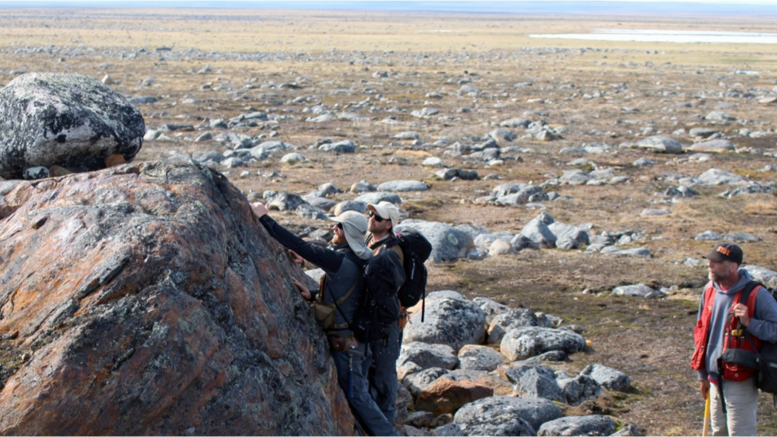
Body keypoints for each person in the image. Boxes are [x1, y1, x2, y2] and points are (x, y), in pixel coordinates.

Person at [251, 203, 400, 437]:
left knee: (358, 397)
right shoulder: (364, 258)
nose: (333, 228)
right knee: (362, 395)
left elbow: (300, 246)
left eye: (337, 225)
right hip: (359, 343)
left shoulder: (340, 261)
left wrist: (264, 218)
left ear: (344, 231)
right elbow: (352, 294)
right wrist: (314, 295)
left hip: (347, 348)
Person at [691, 242, 777, 436]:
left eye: (717, 261)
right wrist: (702, 374)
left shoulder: (757, 294)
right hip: (714, 378)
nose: (710, 265)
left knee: (741, 433)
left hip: (741, 378)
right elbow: (700, 332)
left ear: (733, 266)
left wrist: (749, 322)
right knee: (719, 431)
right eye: (710, 260)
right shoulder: (709, 290)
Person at [364, 201, 404, 425]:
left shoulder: (392, 251)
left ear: (388, 224)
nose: (371, 218)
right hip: (373, 320)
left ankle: (386, 427)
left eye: (377, 217)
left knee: (384, 376)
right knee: (371, 372)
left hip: (388, 323)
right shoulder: (371, 241)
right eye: (370, 214)